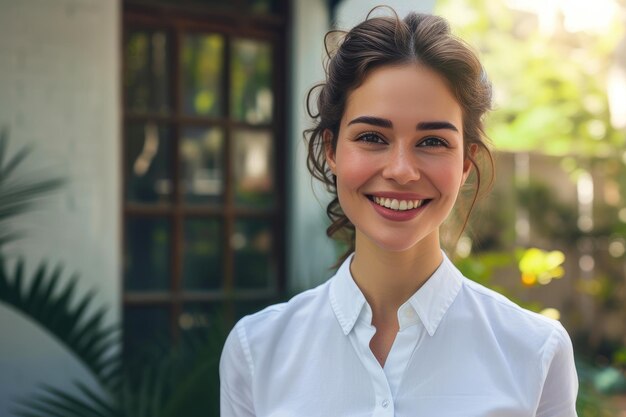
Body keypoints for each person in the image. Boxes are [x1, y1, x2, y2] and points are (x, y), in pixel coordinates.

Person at [220, 9, 578, 417]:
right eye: (372, 137)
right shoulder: (257, 350)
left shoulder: (534, 350)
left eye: (432, 141)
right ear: (332, 150)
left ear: (465, 163)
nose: (402, 171)